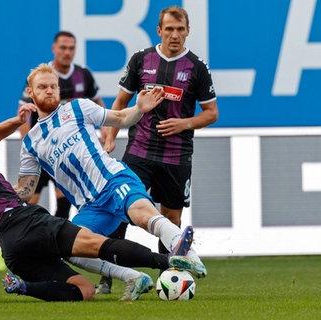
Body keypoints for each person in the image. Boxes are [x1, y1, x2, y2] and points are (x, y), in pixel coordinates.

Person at [0, 106, 200, 302]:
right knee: (97, 243)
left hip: (12, 248)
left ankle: (22, 288)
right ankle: (170, 262)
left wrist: (16, 121)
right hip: (25, 223)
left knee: (84, 291)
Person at [15, 64, 207, 281]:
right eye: (42, 87)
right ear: (30, 92)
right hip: (90, 206)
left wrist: (139, 109)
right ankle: (133, 278)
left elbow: (121, 117)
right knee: (71, 249)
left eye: (53, 86)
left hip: (113, 181)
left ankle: (190, 255)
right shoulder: (31, 142)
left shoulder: (77, 108)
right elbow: (25, 191)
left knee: (142, 215)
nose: (49, 91)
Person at [104, 6, 219, 256]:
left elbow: (212, 113)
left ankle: (167, 272)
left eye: (180, 29)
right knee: (121, 209)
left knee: (172, 219)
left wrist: (184, 123)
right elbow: (120, 103)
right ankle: (109, 275)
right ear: (159, 31)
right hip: (139, 150)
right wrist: (110, 138)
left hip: (176, 155)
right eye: (169, 29)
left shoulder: (197, 67)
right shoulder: (141, 60)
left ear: (188, 31)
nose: (174, 35)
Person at [18, 31, 120, 293]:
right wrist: (30, 147)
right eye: (63, 47)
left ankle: (55, 250)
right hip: (43, 153)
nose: (67, 52)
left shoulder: (82, 76)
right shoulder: (42, 77)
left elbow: (98, 106)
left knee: (63, 202)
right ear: (54, 48)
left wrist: (106, 136)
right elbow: (23, 114)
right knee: (29, 201)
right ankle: (23, 245)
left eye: (71, 48)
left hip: (70, 155)